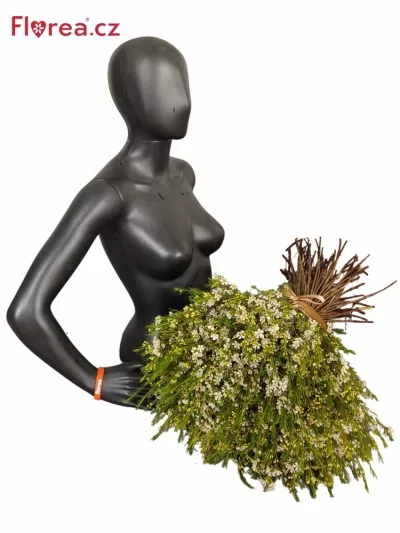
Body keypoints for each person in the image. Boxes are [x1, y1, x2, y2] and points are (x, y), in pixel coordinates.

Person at [7, 36, 225, 409]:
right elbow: (25, 310)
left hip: (221, 352)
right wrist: (93, 380)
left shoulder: (183, 175)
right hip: (157, 363)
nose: (182, 101)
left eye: (182, 85)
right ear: (129, 98)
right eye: (162, 87)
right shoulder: (109, 194)